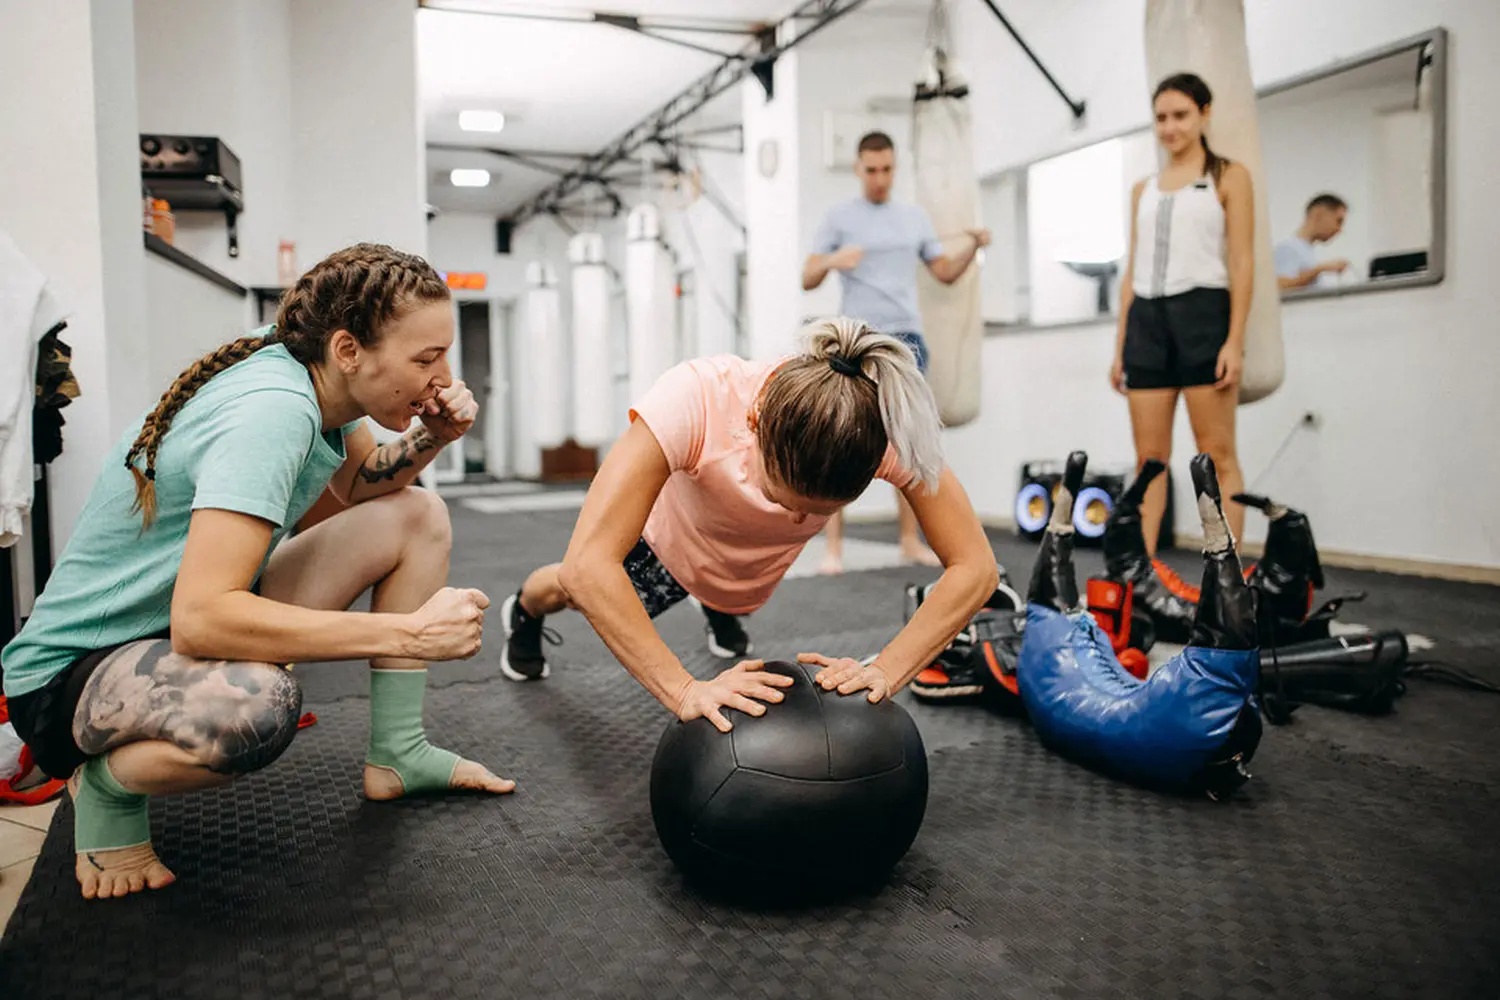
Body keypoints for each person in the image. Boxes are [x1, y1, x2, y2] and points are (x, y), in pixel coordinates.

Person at [0, 244, 513, 900]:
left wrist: (431, 436)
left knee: (416, 516)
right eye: (425, 359)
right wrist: (409, 634)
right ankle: (105, 789)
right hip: (70, 676)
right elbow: (202, 619)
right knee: (256, 708)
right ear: (350, 349)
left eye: (442, 356)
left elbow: (359, 483)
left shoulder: (312, 365)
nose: (443, 378)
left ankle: (399, 754)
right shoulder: (272, 411)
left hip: (164, 629)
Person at [498, 317, 998, 733]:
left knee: (732, 593)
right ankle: (523, 612)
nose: (799, 521)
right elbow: (589, 564)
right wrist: (685, 690)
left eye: (819, 513)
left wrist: (887, 670)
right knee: (569, 586)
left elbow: (975, 567)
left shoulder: (875, 429)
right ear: (755, 423)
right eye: (784, 499)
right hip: (671, 543)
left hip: (746, 569)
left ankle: (718, 604)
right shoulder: (696, 398)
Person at [802, 131, 990, 574]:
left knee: (908, 443)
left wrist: (974, 246)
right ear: (858, 168)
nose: (880, 178)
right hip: (855, 340)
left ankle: (910, 539)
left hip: (906, 339)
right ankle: (834, 549)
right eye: (871, 170)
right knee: (838, 438)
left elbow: (942, 272)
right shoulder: (839, 217)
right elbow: (806, 276)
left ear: (894, 167)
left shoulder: (914, 218)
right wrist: (831, 261)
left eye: (887, 169)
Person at [1110, 73, 1255, 552]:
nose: (1170, 127)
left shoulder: (1229, 177)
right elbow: (1133, 270)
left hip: (1204, 315)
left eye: (1180, 115)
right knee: (1148, 459)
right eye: (1161, 118)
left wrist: (1234, 341)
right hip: (1147, 323)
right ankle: (1141, 570)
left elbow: (1242, 261)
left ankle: (1226, 570)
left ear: (1204, 114)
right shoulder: (1142, 189)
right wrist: (1120, 348)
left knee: (1216, 453)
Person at [1274, 193, 1349, 290]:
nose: (1339, 229)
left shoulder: (1306, 250)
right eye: (1338, 221)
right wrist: (1321, 269)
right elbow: (1280, 286)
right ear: (1319, 214)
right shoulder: (1288, 248)